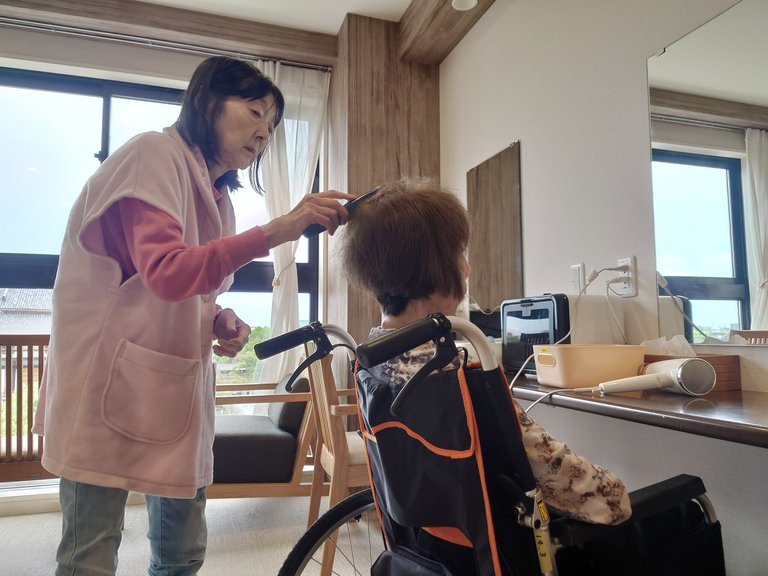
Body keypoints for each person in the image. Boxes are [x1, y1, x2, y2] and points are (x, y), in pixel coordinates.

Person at [32, 56, 354, 576]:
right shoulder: (153, 154)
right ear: (206, 102)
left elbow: (183, 288)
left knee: (183, 554)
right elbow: (166, 271)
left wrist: (218, 318)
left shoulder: (218, 196)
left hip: (171, 386)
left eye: (271, 124)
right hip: (105, 383)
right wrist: (279, 229)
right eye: (254, 112)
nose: (263, 132)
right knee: (90, 553)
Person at [339, 177, 631, 566]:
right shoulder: (456, 381)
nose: (467, 267)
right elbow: (598, 498)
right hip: (499, 557)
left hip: (428, 552)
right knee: (675, 512)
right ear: (434, 266)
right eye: (460, 253)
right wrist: (618, 492)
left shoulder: (372, 363)